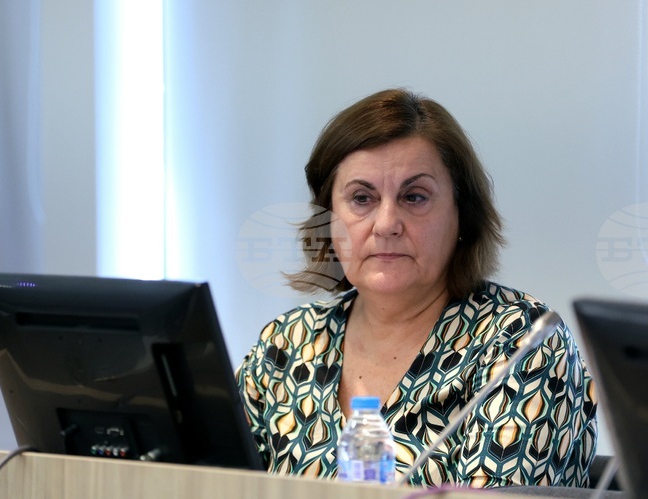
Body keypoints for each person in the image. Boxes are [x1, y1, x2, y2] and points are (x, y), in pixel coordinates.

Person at [235, 88, 598, 489]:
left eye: (414, 197)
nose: (386, 224)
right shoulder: (287, 344)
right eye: (361, 198)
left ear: (461, 217)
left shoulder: (521, 342)